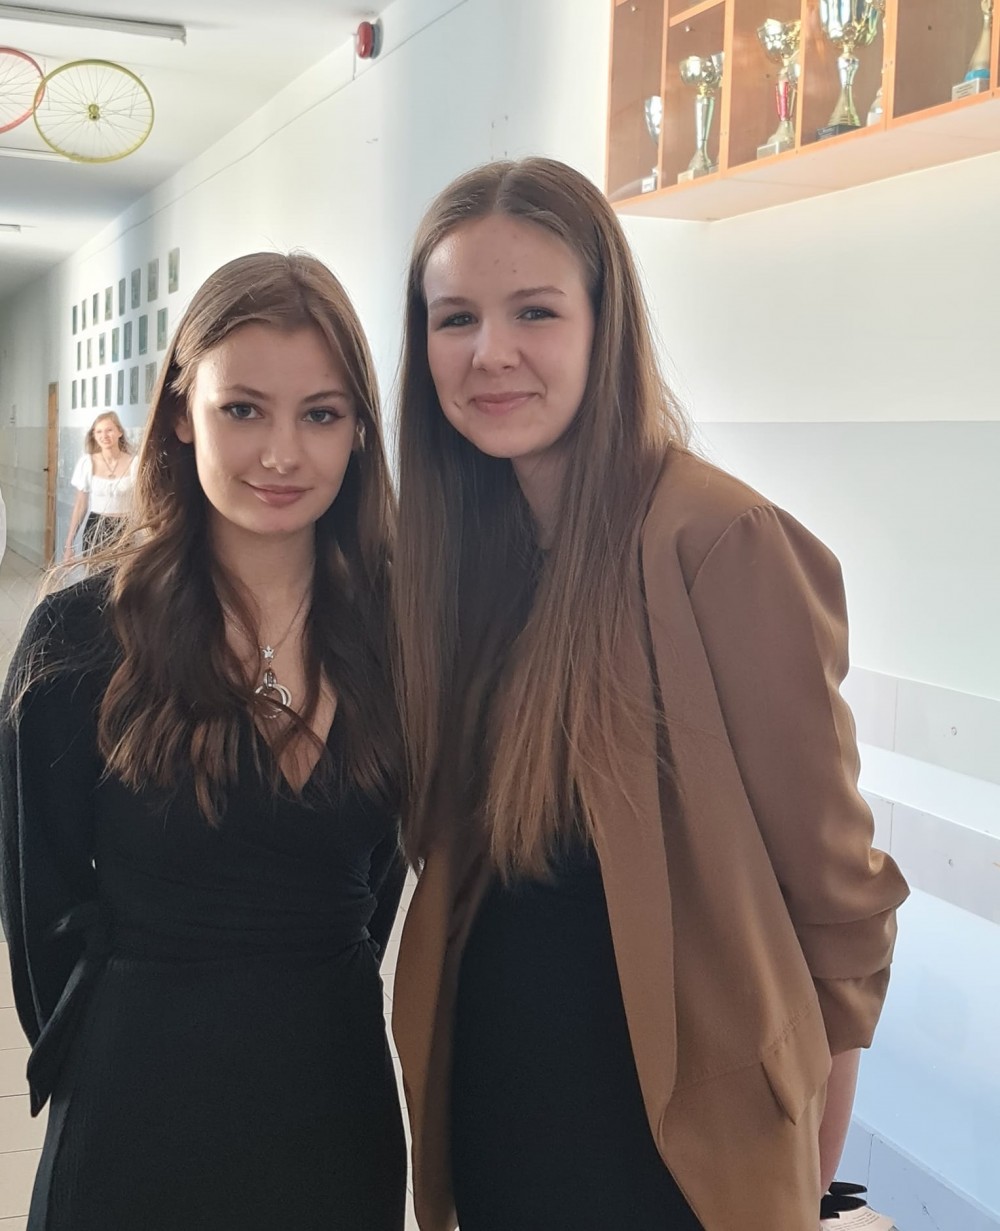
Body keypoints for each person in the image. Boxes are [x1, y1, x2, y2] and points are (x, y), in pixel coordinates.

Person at [389, 157, 910, 1231]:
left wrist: (805, 1163)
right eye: (456, 318)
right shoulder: (461, 556)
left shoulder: (717, 540)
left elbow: (836, 895)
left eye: (535, 311)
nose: (490, 352)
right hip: (497, 1111)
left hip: (668, 1148)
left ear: (603, 323)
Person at [0, 253, 406, 1231]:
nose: (282, 453)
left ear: (358, 429)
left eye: (321, 413)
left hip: (334, 1100)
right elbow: (36, 901)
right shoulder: (81, 638)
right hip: (138, 1101)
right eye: (244, 409)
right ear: (182, 412)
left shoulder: (397, 640)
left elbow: (377, 881)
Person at [63, 411, 137, 559]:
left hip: (125, 529)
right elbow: (80, 505)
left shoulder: (135, 463)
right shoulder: (87, 463)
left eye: (109, 430)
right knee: (95, 572)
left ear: (120, 432)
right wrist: (69, 543)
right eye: (99, 431)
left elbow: (143, 502)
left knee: (124, 573)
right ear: (94, 436)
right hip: (95, 528)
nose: (104, 435)